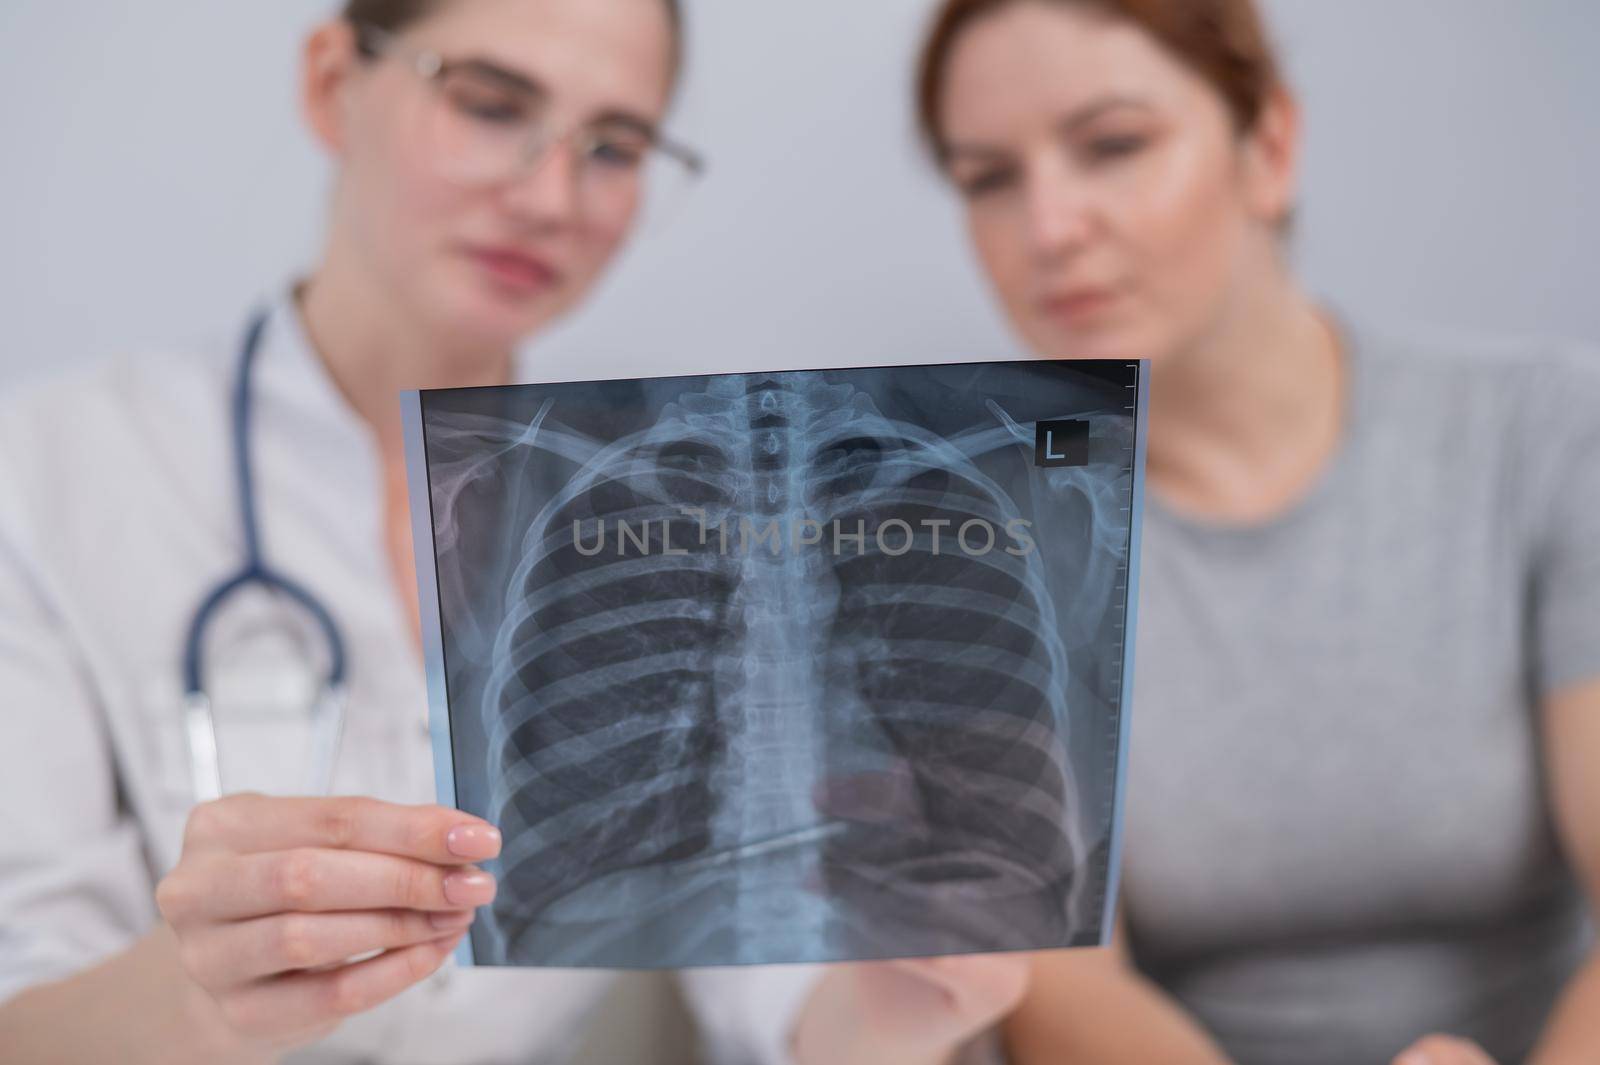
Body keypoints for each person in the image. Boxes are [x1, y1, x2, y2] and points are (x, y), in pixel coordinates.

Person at [0, 2, 1022, 1062]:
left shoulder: (670, 519)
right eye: (490, 106)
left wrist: (903, 1002)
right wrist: (200, 995)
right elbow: (22, 1020)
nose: (549, 197)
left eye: (614, 148)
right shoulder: (43, 476)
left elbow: (761, 980)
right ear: (329, 82)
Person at [905, 1, 1600, 1064]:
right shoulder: (971, 538)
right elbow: (1063, 995)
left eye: (1113, 146)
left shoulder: (1544, 434)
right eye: (987, 179)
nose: (1047, 228)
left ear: (1267, 148)